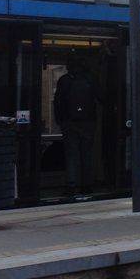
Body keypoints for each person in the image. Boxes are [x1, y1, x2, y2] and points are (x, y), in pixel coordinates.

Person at [55, 59, 97, 194]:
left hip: (69, 122)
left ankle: (71, 185)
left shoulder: (64, 80)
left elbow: (57, 101)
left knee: (71, 154)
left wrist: (60, 120)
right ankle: (87, 185)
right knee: (87, 154)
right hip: (88, 122)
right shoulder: (90, 79)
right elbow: (101, 97)